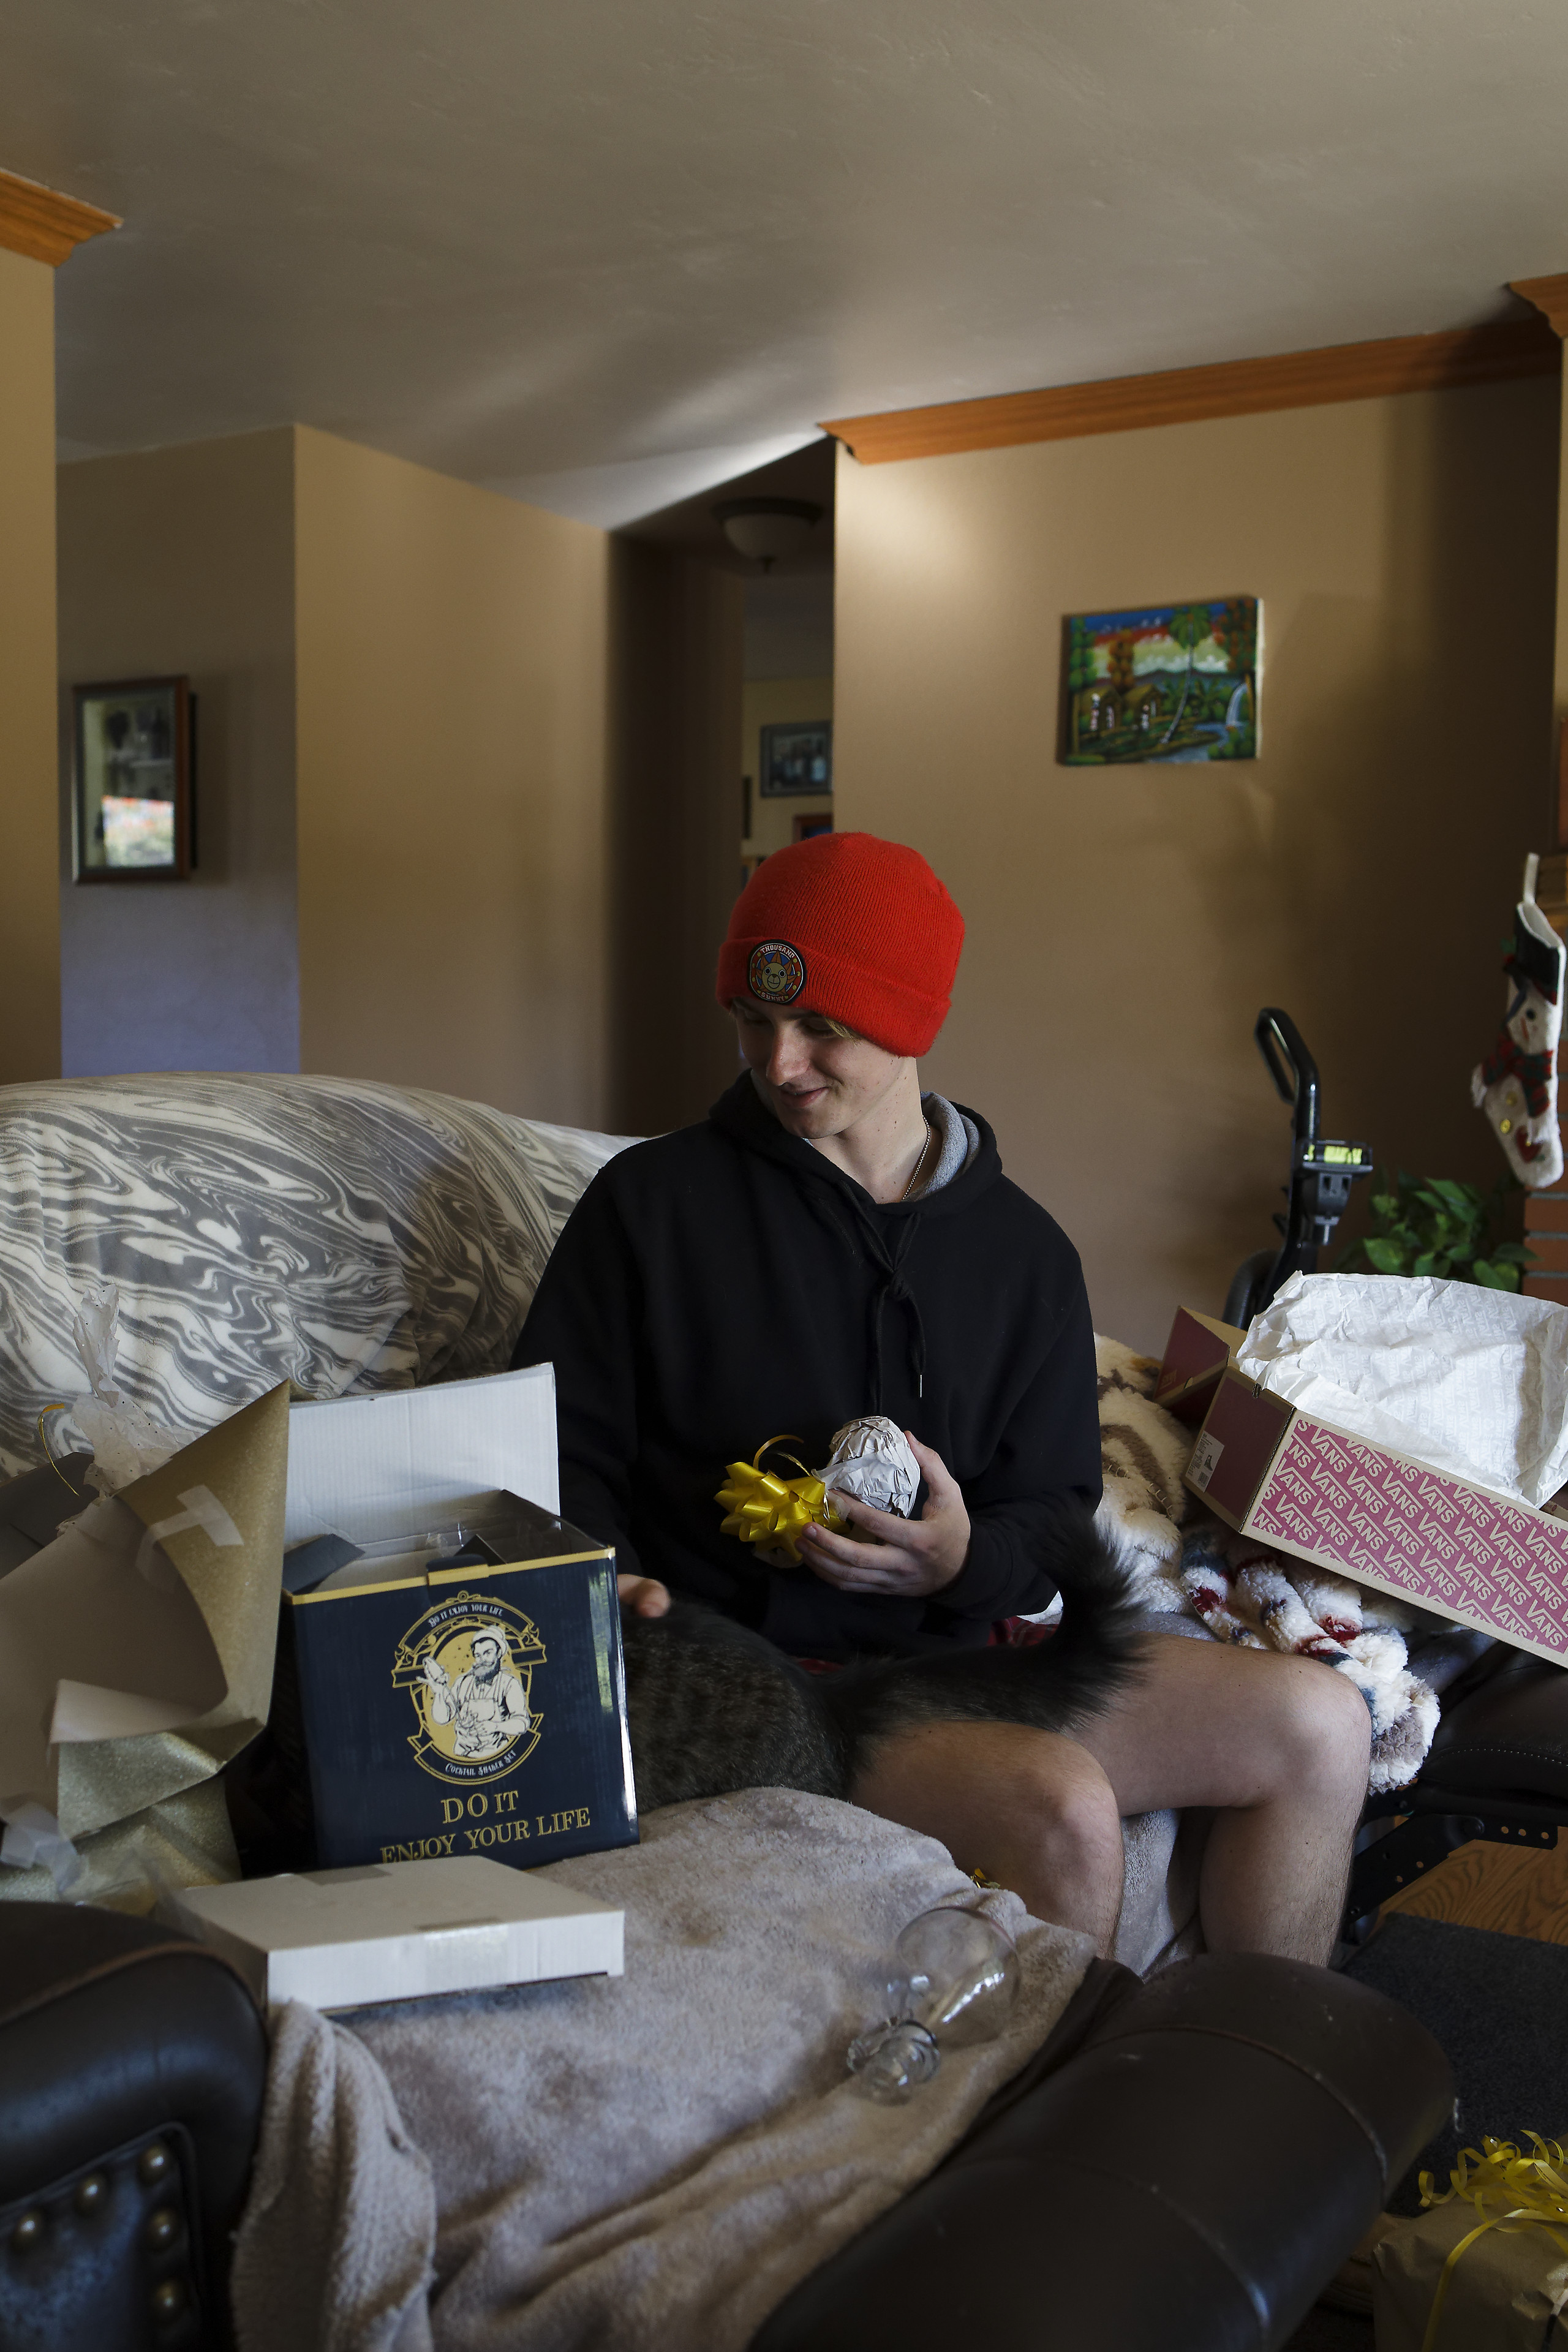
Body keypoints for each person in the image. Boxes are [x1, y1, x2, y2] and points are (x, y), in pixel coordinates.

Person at [515, 832, 1369, 1960]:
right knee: (1059, 1803)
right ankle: (1062, 2083)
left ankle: (1252, 2056)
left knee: (1324, 1723)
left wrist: (962, 1559)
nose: (779, 1061)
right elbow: (552, 1454)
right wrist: (609, 1582)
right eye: (753, 1021)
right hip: (770, 1687)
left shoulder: (1026, 1257)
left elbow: (1054, 1513)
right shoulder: (649, 1208)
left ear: (912, 1020)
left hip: (983, 1660)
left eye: (821, 1025)